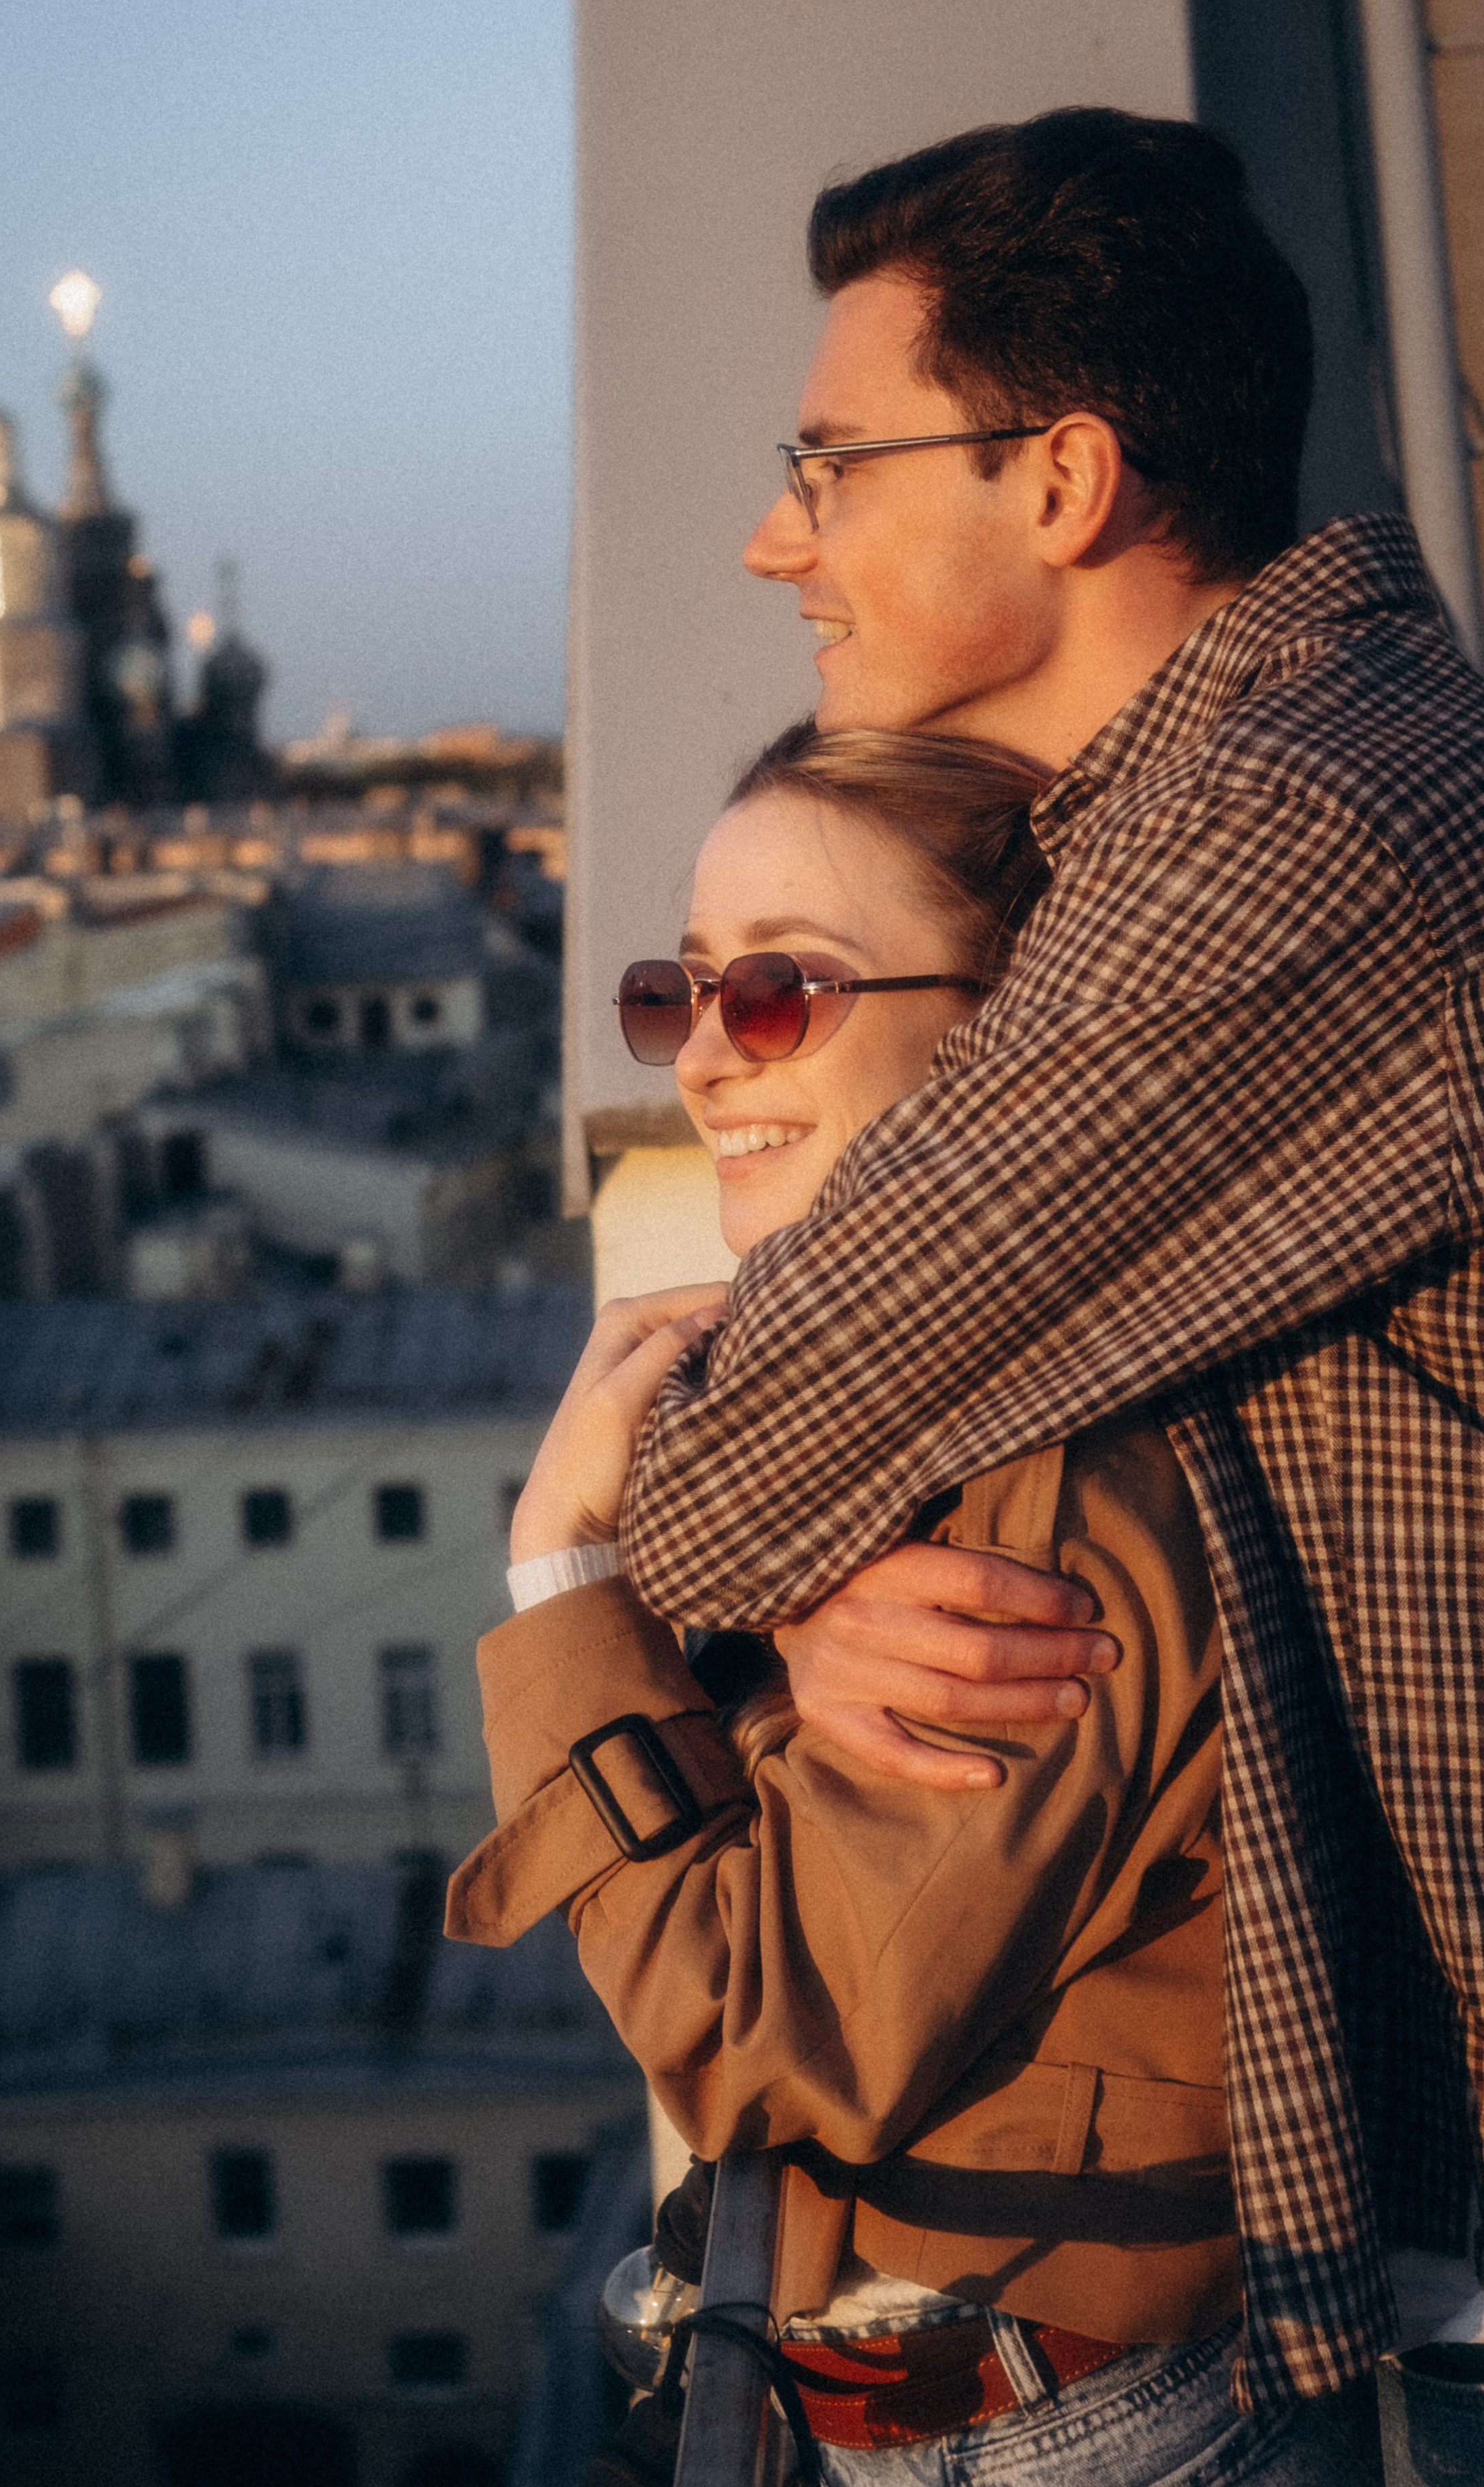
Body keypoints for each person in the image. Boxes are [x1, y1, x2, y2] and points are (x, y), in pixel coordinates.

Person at [600, 105, 1484, 2419]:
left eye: (835, 464)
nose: (773, 537)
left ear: (1064, 483)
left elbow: (717, 1477)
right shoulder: (1273, 780)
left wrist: (646, 1540)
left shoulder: (1287, 832)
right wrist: (820, 1568)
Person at [448, 724, 1370, 2482]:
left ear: (1005, 1043)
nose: (706, 1058)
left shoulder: (1048, 1502)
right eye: (682, 990)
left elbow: (762, 2041)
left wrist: (565, 1562)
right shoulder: (955, 1420)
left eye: (780, 989)